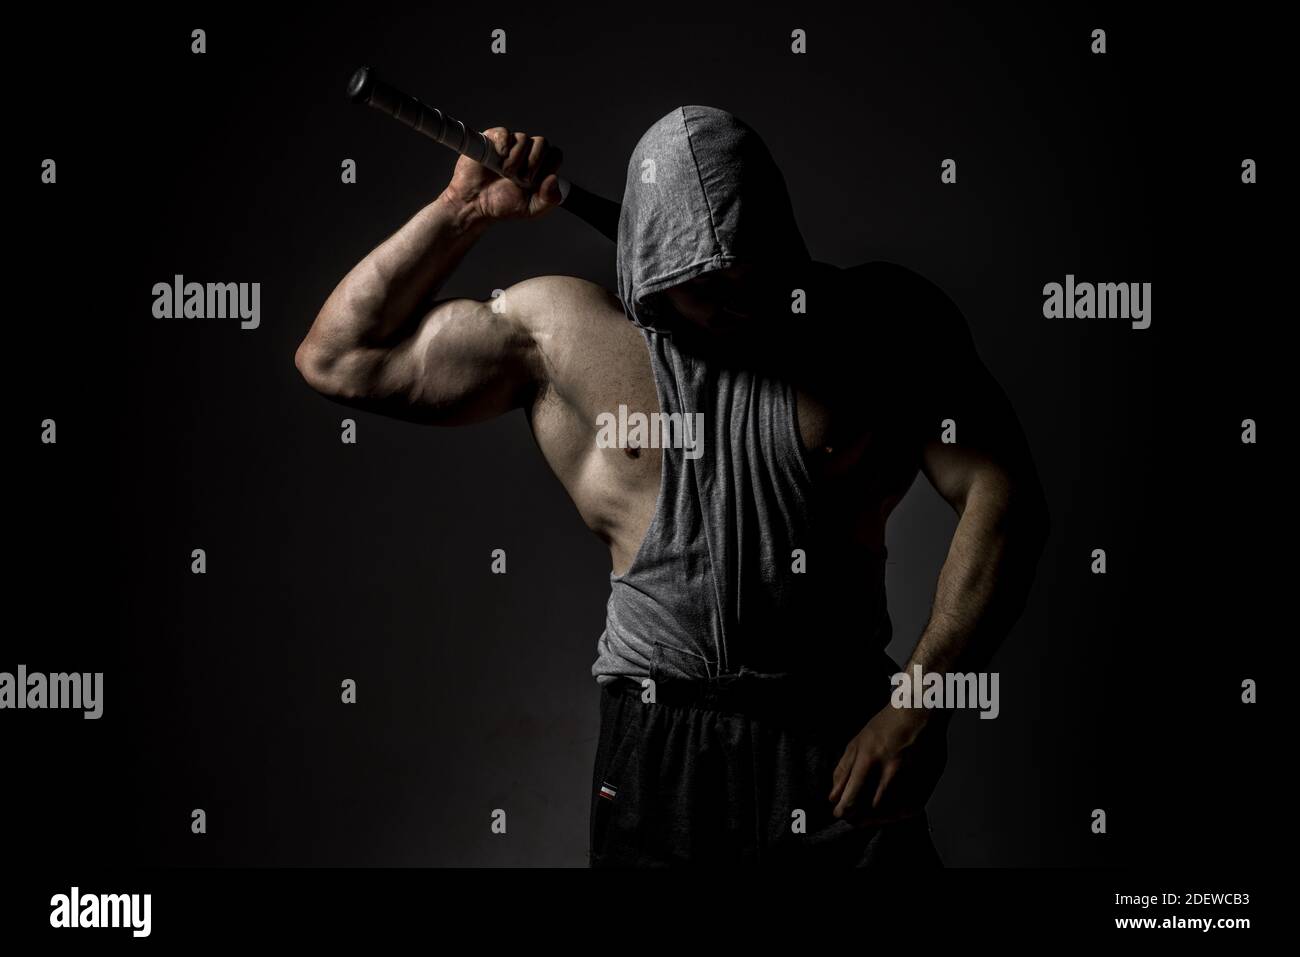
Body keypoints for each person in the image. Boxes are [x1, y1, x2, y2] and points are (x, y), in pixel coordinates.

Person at [295, 105, 1050, 867]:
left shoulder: (882, 325)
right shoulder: (562, 335)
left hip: (836, 731)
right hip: (660, 745)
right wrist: (459, 214)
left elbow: (1003, 492)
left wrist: (924, 702)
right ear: (651, 268)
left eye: (753, 275)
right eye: (704, 288)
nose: (737, 307)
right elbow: (337, 359)